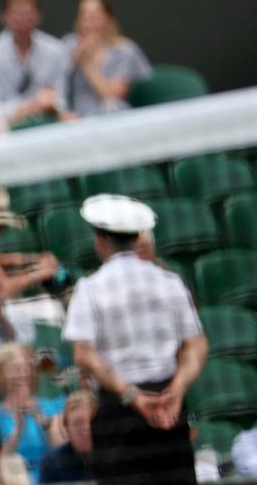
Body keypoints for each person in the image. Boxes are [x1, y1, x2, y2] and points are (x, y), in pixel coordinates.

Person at [64, 194, 209, 484]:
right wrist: (176, 391)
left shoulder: (90, 288)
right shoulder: (169, 281)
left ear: (100, 241)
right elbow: (197, 344)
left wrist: (133, 396)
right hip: (169, 409)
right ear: (136, 238)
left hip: (120, 412)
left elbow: (83, 354)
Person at [0, 0, 70, 126]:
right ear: (3, 16)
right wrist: (30, 106)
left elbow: (60, 100)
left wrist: (49, 105)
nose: (22, 18)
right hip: (4, 127)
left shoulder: (55, 50)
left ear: (38, 16)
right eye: (15, 13)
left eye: (27, 12)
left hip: (47, 124)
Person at [63, 0, 152, 117]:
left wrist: (88, 64)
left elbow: (111, 96)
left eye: (95, 17)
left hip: (113, 117)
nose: (89, 24)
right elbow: (54, 86)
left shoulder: (125, 51)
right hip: (76, 118)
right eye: (84, 17)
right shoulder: (69, 44)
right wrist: (73, 60)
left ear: (108, 18)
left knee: (111, 106)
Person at [0, 344, 65, 482]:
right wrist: (18, 431)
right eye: (15, 369)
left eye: (27, 368)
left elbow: (63, 454)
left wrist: (45, 424)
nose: (23, 374)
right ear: (0, 374)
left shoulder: (52, 407)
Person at [39, 390, 97, 483]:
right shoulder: (52, 463)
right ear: (67, 429)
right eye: (78, 423)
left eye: (92, 421)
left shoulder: (113, 456)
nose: (87, 428)